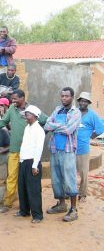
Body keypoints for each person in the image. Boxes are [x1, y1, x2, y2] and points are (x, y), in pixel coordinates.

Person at [0, 89, 47, 212]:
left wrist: (42, 133)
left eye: (15, 99)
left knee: (28, 180)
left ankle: (28, 208)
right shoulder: (12, 108)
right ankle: (8, 204)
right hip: (15, 150)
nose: (13, 101)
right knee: (12, 177)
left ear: (22, 98)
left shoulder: (32, 110)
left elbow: (46, 121)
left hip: (29, 154)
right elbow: (3, 122)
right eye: (12, 99)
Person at [44, 87, 81, 222]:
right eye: (62, 96)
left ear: (72, 97)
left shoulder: (76, 112)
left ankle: (73, 209)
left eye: (67, 96)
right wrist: (60, 125)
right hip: (55, 149)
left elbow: (69, 130)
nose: (64, 98)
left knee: (69, 179)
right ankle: (61, 204)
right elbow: (47, 125)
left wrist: (55, 125)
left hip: (68, 151)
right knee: (56, 179)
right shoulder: (57, 109)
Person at [15, 105, 45, 224]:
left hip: (32, 162)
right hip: (23, 161)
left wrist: (35, 165)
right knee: (22, 187)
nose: (25, 117)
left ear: (34, 116)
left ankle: (37, 215)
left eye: (27, 115)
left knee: (33, 190)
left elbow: (39, 149)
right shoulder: (27, 127)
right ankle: (24, 211)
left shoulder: (39, 130)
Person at [76, 92, 104, 202]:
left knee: (83, 173)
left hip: (83, 148)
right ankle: (71, 192)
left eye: (85, 101)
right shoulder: (74, 112)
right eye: (81, 100)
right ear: (78, 101)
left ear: (88, 103)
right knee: (71, 172)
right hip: (71, 147)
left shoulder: (92, 115)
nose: (83, 102)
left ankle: (82, 194)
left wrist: (91, 136)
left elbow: (100, 129)